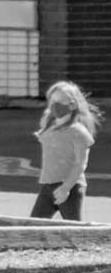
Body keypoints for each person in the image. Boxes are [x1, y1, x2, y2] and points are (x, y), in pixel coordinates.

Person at [32, 81, 98, 221]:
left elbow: (80, 163)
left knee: (74, 229)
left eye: (61, 101)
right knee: (32, 225)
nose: (56, 105)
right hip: (48, 184)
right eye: (53, 100)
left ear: (73, 105)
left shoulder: (78, 132)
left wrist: (66, 188)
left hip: (70, 187)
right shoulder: (50, 126)